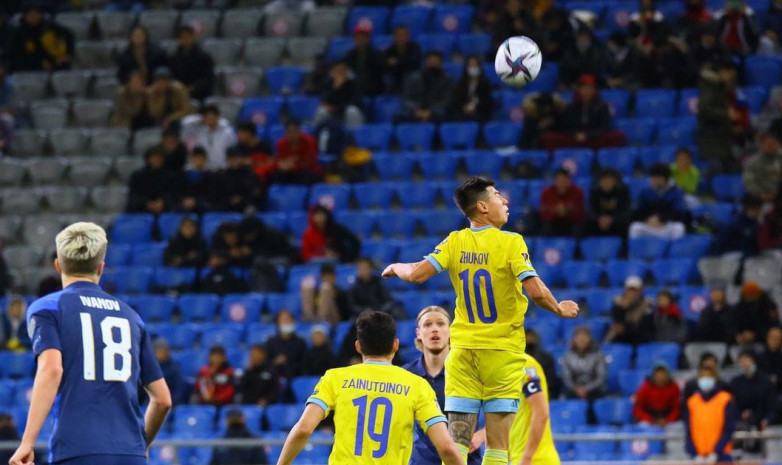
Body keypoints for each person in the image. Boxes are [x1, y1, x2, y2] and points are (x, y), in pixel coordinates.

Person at [382, 176, 579, 465]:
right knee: (498, 446)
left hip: (462, 353)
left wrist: (396, 266)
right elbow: (535, 291)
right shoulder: (511, 242)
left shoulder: (454, 241)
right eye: (498, 196)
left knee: (458, 443)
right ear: (483, 207)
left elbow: (415, 275)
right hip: (501, 354)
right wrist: (560, 309)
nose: (505, 201)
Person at [8, 222, 171, 465]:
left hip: (78, 450)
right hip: (130, 454)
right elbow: (162, 400)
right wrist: (141, 444)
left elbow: (51, 369)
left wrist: (27, 442)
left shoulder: (48, 308)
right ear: (101, 268)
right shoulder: (131, 316)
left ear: (58, 265)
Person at [275, 311, 463, 465]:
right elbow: (446, 447)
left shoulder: (335, 378)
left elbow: (303, 430)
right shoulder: (417, 385)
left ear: (358, 346)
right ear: (395, 345)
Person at [404, 306, 482, 465]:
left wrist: (482, 435)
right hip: (422, 461)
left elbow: (502, 408)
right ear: (418, 333)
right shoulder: (406, 375)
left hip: (467, 459)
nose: (434, 329)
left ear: (450, 331)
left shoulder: (470, 371)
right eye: (427, 325)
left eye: (440, 324)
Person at [471, 354, 560, 465]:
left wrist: (528, 457)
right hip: (517, 458)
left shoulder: (525, 364)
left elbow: (541, 414)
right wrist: (482, 435)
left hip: (537, 460)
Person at [542, 74, 626, 150]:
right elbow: (566, 126)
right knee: (548, 137)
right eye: (584, 88)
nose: (587, 91)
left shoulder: (602, 106)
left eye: (589, 88)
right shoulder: (571, 107)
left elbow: (604, 127)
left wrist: (588, 135)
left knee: (617, 136)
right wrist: (575, 134)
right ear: (579, 90)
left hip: (594, 139)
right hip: (574, 139)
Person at [682, 364, 735, 463]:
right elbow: (688, 430)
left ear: (714, 378)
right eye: (702, 376)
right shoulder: (692, 402)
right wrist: (694, 454)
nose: (705, 379)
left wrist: (716, 452)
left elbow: (728, 428)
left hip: (722, 456)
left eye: (708, 376)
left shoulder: (725, 399)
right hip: (699, 458)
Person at [629, 163, 688, 240]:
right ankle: (634, 252)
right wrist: (647, 219)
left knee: (679, 228)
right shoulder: (646, 192)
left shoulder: (677, 192)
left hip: (667, 225)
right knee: (635, 227)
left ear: (665, 179)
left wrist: (661, 219)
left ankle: (675, 251)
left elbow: (679, 212)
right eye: (652, 178)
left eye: (657, 178)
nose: (653, 181)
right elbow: (639, 210)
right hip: (650, 224)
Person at [7, 5, 74, 72]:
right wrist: (39, 61)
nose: (34, 17)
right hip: (28, 66)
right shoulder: (18, 32)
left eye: (37, 14)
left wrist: (67, 54)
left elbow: (68, 35)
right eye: (30, 14)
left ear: (41, 15)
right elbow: (17, 54)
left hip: (54, 63)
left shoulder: (50, 27)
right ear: (25, 16)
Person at [729, 350, 776, 435]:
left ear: (754, 361)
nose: (745, 364)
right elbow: (732, 404)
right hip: (741, 422)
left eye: (747, 361)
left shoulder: (765, 381)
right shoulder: (735, 382)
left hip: (762, 422)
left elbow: (772, 404)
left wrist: (767, 419)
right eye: (742, 362)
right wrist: (740, 414)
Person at [127, 146, 184, 214]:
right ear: (148, 159)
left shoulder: (171, 176)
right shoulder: (137, 176)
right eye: (154, 157)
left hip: (165, 209)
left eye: (159, 157)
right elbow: (134, 195)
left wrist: (163, 202)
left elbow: (173, 193)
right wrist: (147, 203)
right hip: (142, 209)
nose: (157, 160)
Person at [400, 51, 453, 123]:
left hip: (435, 112)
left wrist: (430, 111)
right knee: (400, 117)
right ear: (426, 62)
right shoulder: (413, 78)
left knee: (445, 115)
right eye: (431, 61)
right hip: (416, 110)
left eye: (436, 61)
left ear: (440, 63)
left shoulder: (446, 80)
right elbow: (406, 98)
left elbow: (446, 100)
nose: (433, 63)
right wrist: (417, 110)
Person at [181, 104, 237, 170]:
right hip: (204, 169)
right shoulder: (199, 131)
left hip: (222, 168)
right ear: (204, 118)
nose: (210, 119)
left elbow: (232, 151)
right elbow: (185, 122)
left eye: (213, 116)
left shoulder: (227, 132)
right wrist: (200, 120)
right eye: (208, 116)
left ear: (217, 117)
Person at [561, 326, 607, 404]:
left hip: (593, 390)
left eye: (584, 337)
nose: (582, 340)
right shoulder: (568, 356)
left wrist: (586, 389)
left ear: (589, 339)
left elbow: (600, 378)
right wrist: (576, 389)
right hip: (574, 390)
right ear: (574, 339)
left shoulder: (598, 355)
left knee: (598, 394)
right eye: (579, 338)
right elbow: (566, 377)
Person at [169, 25, 215, 101]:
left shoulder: (204, 57)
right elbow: (172, 76)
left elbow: (207, 78)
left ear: (193, 37)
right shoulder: (174, 57)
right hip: (178, 92)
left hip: (199, 94)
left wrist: (193, 87)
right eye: (183, 37)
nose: (186, 40)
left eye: (188, 37)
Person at [271, 119, 322, 185]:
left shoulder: (310, 142)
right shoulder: (281, 144)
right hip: (290, 171)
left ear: (299, 131)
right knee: (275, 175)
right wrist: (284, 165)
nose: (292, 134)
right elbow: (281, 161)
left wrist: (292, 165)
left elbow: (308, 163)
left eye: (294, 131)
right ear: (285, 133)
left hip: (308, 171)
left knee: (305, 176)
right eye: (289, 132)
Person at [605, 276, 653, 345]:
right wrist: (622, 307)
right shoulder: (619, 303)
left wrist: (625, 328)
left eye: (634, 290)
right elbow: (617, 321)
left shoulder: (646, 304)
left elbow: (645, 326)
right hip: (622, 338)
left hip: (640, 339)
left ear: (640, 290)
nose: (631, 292)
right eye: (629, 290)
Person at [316, 60, 364, 128]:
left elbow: (355, 101)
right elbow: (325, 100)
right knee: (321, 111)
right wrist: (336, 87)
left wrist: (337, 108)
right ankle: (320, 133)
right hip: (332, 114)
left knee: (352, 110)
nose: (340, 73)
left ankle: (353, 134)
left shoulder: (353, 84)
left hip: (346, 112)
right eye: (337, 71)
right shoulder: (328, 83)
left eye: (342, 70)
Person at [539, 168, 585, 236]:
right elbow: (543, 213)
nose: (562, 183)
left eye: (564, 180)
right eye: (559, 180)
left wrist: (567, 211)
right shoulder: (547, 192)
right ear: (555, 181)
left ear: (569, 181)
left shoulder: (577, 192)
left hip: (571, 222)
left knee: (580, 228)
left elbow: (581, 213)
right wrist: (555, 212)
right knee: (545, 228)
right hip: (553, 222)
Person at [448, 55, 494, 123]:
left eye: (475, 65)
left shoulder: (485, 84)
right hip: (463, 111)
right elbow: (457, 99)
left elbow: (487, 100)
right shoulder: (461, 84)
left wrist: (475, 107)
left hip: (479, 111)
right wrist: (464, 107)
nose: (473, 68)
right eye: (470, 65)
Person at [344, 23, 385, 97]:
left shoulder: (375, 54)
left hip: (371, 86)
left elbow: (377, 75)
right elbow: (348, 69)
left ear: (368, 39)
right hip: (354, 84)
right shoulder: (351, 54)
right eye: (358, 37)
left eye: (363, 37)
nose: (360, 40)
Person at [588, 168, 631, 236]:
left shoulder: (622, 191)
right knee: (586, 225)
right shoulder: (594, 191)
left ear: (615, 181)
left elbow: (626, 211)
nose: (606, 183)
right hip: (599, 222)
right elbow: (591, 211)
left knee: (626, 225)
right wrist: (599, 218)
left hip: (617, 222)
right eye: (603, 180)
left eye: (609, 180)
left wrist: (612, 219)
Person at [266, 310, 308, 379]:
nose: (286, 322)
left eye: (288, 319)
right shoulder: (271, 342)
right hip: (274, 377)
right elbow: (266, 361)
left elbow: (304, 363)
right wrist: (275, 362)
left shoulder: (300, 342)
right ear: (278, 323)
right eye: (283, 320)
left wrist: (288, 362)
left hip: (295, 377)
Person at [180, 147, 222, 213]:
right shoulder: (184, 176)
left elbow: (211, 195)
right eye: (196, 158)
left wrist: (196, 201)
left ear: (206, 160)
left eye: (201, 158)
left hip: (203, 206)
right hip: (186, 205)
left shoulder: (212, 177)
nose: (199, 161)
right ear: (191, 159)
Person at [743, 131, 782, 202]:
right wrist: (760, 194)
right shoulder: (752, 162)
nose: (771, 146)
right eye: (768, 144)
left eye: (773, 143)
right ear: (761, 145)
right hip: (760, 195)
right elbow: (748, 182)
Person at [524, 328, 560, 398]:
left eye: (531, 336)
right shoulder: (517, 358)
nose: (529, 339)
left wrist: (540, 386)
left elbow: (551, 377)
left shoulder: (546, 358)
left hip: (544, 389)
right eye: (527, 336)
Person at [384, 25, 421, 93]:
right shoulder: (390, 49)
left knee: (413, 76)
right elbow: (385, 63)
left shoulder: (414, 47)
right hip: (395, 75)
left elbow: (414, 63)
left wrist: (397, 62)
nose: (401, 37)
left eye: (403, 35)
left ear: (408, 36)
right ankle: (389, 98)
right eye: (398, 35)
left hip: (410, 74)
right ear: (394, 37)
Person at [219, 148, 258, 213]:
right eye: (231, 158)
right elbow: (218, 194)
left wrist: (241, 199)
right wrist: (229, 200)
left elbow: (254, 193)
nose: (234, 161)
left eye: (236, 158)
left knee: (250, 210)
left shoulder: (249, 174)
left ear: (241, 159)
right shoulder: (222, 175)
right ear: (227, 160)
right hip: (227, 206)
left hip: (246, 205)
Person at [154, 338, 188, 405]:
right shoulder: (151, 368)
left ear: (167, 352)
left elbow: (178, 390)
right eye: (157, 352)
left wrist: (171, 403)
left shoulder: (174, 368)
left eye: (161, 352)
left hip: (170, 403)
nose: (159, 355)